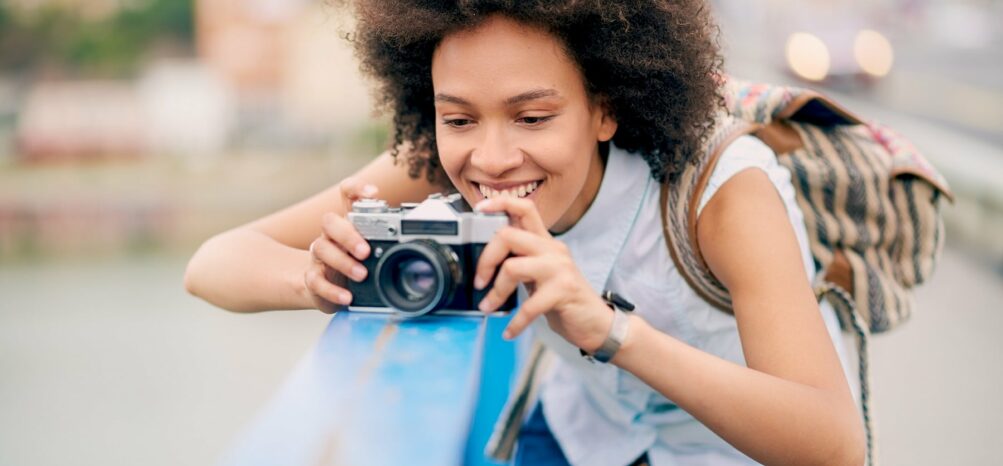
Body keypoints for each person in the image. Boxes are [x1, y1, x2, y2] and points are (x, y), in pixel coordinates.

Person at [184, 1, 865, 465]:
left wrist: (607, 330)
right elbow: (213, 263)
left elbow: (833, 444)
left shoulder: (720, 192)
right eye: (458, 118)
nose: (491, 158)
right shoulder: (436, 162)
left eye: (532, 117)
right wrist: (314, 279)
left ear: (606, 108)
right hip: (582, 434)